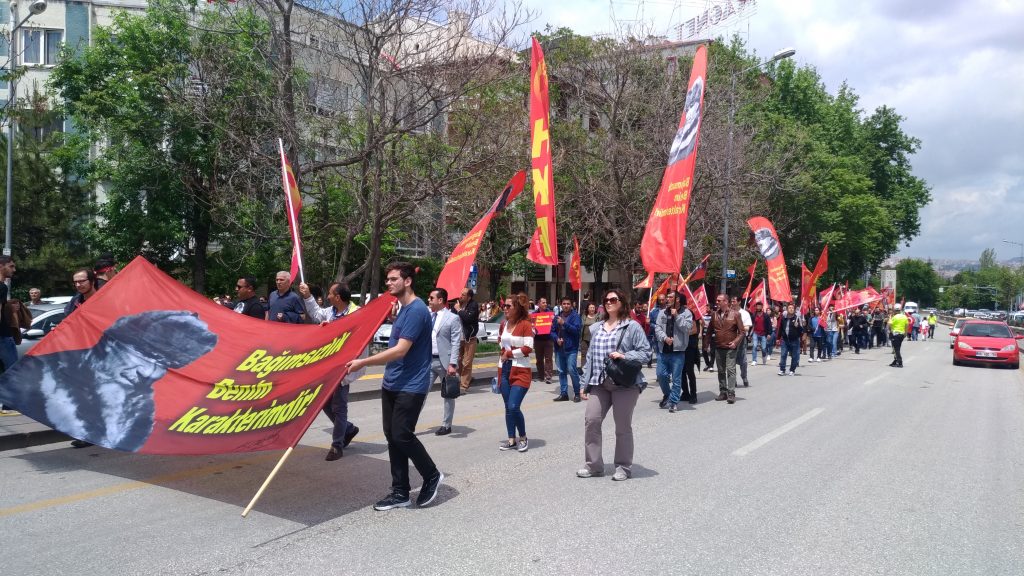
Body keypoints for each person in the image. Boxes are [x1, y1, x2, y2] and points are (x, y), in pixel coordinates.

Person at [345, 263, 443, 511]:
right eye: (387, 279)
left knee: (402, 434)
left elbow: (400, 351)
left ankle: (431, 475)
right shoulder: (403, 309)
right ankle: (400, 492)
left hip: (411, 385)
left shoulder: (417, 310)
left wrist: (363, 362)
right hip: (392, 382)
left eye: (393, 279)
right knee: (393, 437)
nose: (388, 283)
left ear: (407, 281)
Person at [578, 289, 651, 481]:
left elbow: (646, 353)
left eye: (613, 299)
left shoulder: (632, 326)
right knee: (591, 420)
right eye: (606, 299)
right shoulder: (596, 328)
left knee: (622, 426)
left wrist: (625, 355)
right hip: (599, 383)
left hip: (624, 383)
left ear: (622, 302)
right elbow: (591, 358)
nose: (609, 302)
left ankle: (623, 467)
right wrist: (583, 384)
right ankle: (594, 465)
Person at [299, 281, 364, 458]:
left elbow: (358, 338)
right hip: (329, 366)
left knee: (339, 406)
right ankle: (348, 429)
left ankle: (337, 445)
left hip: (344, 367)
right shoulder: (330, 312)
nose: (327, 297)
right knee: (324, 402)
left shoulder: (356, 313)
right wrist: (307, 296)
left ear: (338, 297)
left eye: (330, 294)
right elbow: (316, 314)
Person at [498, 293, 534, 452]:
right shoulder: (503, 324)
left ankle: (523, 437)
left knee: (513, 406)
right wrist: (503, 355)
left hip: (521, 370)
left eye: (508, 306)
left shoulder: (526, 324)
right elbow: (501, 344)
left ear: (517, 308)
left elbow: (528, 348)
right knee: (507, 407)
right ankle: (511, 439)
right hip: (504, 368)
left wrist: (510, 354)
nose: (504, 309)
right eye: (504, 306)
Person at [425, 288, 461, 437]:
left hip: (444, 362)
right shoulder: (426, 315)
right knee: (420, 393)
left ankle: (446, 425)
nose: (429, 300)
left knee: (448, 394)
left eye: (431, 298)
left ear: (440, 300)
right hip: (427, 361)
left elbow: (456, 342)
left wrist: (452, 364)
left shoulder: (452, 318)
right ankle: (410, 423)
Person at [654, 290, 693, 412]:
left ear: (677, 299)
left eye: (670, 297)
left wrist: (677, 316)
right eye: (667, 296)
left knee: (676, 379)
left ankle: (673, 401)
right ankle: (668, 394)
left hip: (678, 351)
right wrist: (664, 338)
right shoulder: (662, 313)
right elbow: (658, 328)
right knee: (661, 375)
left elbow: (687, 328)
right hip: (663, 350)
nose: (667, 299)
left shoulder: (686, 313)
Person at [710, 294, 744, 404]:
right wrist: (706, 344)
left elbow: (742, 332)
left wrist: (735, 342)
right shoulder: (714, 315)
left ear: (726, 301)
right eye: (716, 300)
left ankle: (731, 393)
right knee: (720, 371)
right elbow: (710, 331)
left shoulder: (736, 314)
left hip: (730, 347)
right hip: (719, 347)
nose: (717, 302)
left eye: (719, 300)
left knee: (730, 370)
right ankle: (723, 392)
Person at [553, 296, 582, 402]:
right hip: (559, 348)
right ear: (561, 305)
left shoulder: (575, 316)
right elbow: (552, 331)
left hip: (571, 349)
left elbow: (576, 330)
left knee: (572, 370)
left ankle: (577, 393)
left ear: (571, 305)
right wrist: (556, 339)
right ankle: (564, 393)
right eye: (564, 304)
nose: (566, 306)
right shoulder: (557, 317)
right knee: (561, 371)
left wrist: (564, 323)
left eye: (568, 304)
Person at [454, 288, 479, 394]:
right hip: (458, 337)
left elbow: (469, 319)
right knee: (458, 361)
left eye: (463, 294)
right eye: (461, 294)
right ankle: (459, 381)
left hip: (469, 337)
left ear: (469, 297)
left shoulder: (473, 305)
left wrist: (459, 310)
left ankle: (464, 385)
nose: (461, 296)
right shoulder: (457, 304)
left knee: (467, 362)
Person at [0, 256, 18, 373]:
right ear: (1, 266)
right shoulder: (2, 287)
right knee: (13, 373)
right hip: (2, 336)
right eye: (11, 266)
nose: (14, 269)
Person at [776, 303, 804, 375]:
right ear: (787, 309)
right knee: (783, 354)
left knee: (794, 356)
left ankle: (792, 370)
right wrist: (778, 338)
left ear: (794, 310)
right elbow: (780, 329)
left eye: (792, 308)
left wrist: (798, 326)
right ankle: (782, 370)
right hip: (785, 340)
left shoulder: (797, 318)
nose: (791, 309)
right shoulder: (784, 318)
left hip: (794, 340)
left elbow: (801, 331)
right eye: (789, 308)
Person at [532, 297, 554, 383]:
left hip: (548, 339)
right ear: (539, 304)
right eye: (543, 302)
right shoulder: (534, 314)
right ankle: (541, 376)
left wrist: (553, 320)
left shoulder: (550, 314)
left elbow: (554, 325)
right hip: (538, 340)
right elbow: (532, 325)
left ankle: (548, 377)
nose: (545, 304)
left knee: (548, 359)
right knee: (539, 359)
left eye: (546, 302)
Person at [731, 296, 751, 386]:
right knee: (731, 361)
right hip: (730, 339)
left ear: (739, 302)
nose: (732, 303)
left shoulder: (745, 313)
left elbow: (747, 327)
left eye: (734, 301)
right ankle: (733, 380)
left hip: (741, 340)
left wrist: (739, 328)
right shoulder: (728, 312)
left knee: (743, 361)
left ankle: (744, 376)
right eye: (731, 301)